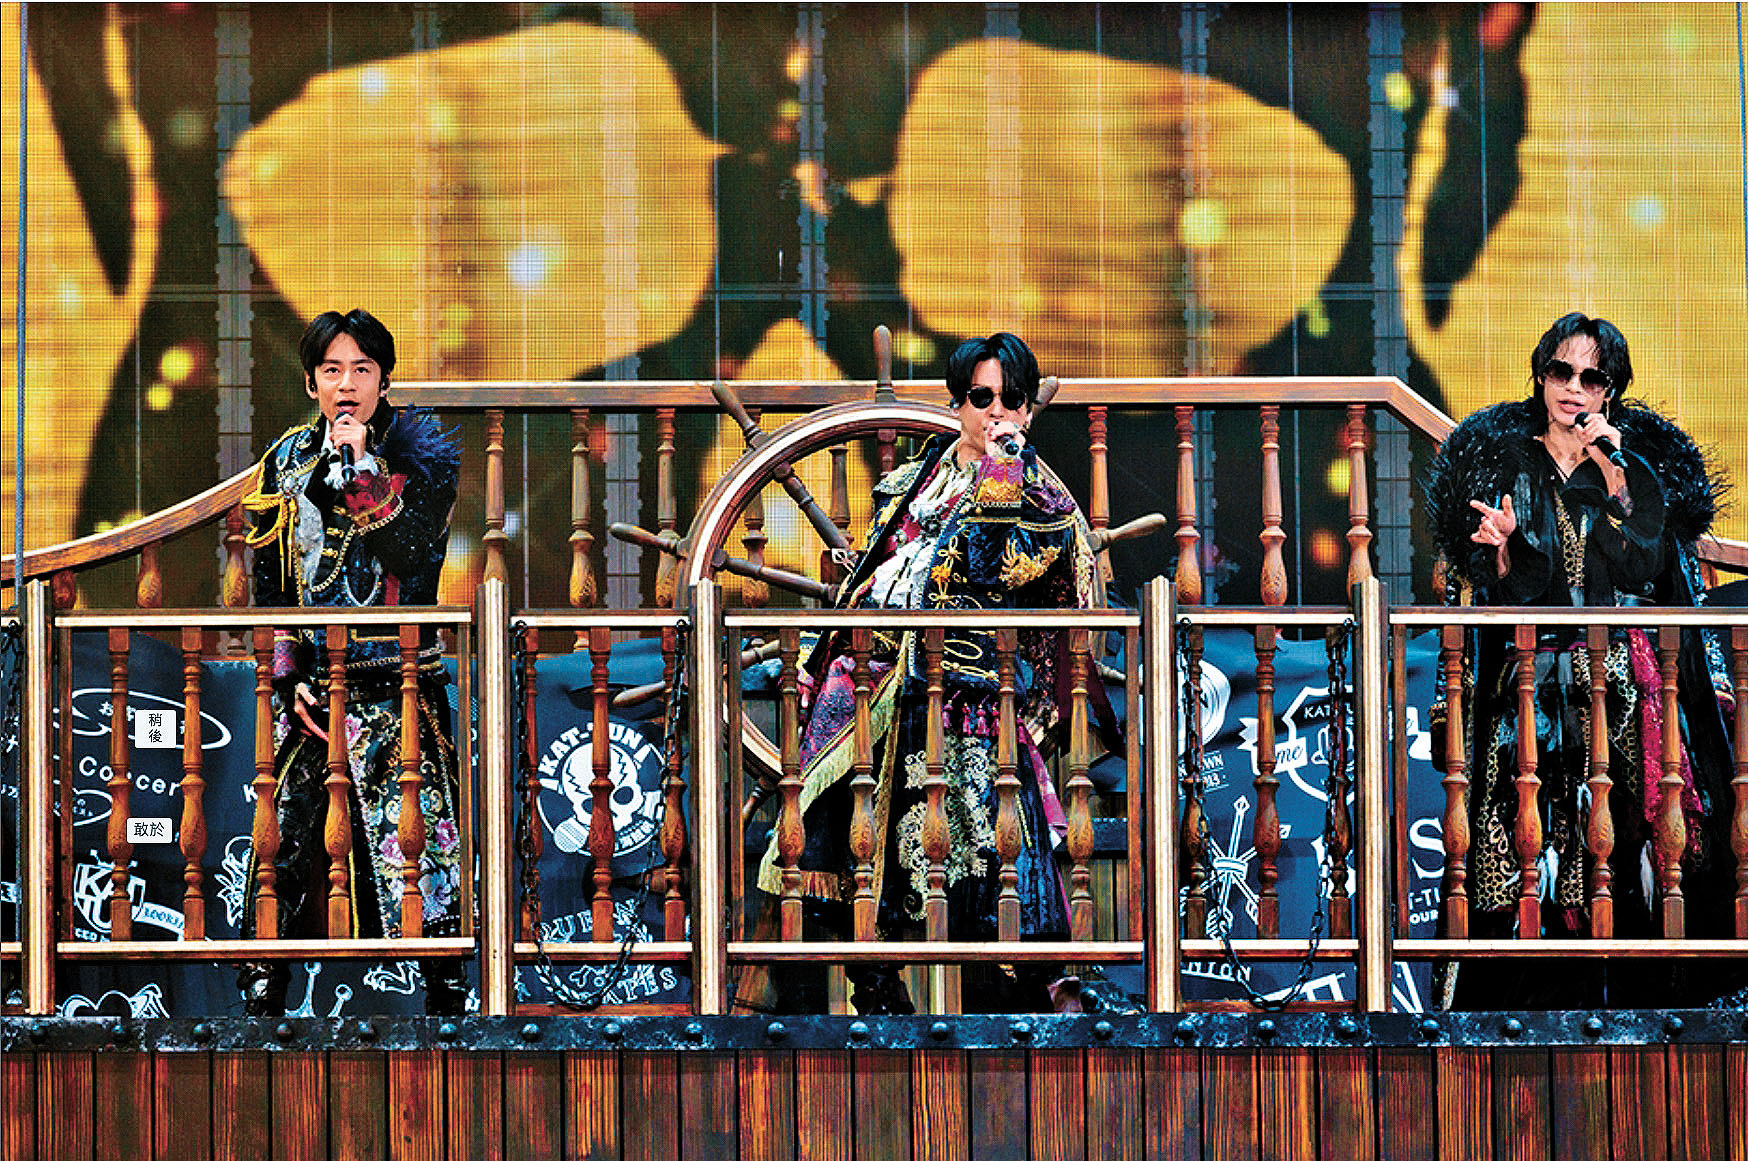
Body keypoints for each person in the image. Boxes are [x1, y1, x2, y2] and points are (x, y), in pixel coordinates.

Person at [757, 332, 1102, 1015]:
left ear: (1028, 410)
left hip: (973, 692)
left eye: (1012, 399)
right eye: (982, 397)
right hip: (882, 681)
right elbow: (877, 568)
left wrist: (1003, 471)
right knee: (837, 826)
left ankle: (1030, 995)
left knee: (991, 865)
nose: (996, 411)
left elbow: (991, 565)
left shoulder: (1042, 497)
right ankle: (874, 983)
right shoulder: (917, 482)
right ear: (958, 403)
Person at [1424, 311, 1736, 1008]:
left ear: (1609, 390)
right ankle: (1533, 992)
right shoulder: (1510, 463)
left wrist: (1616, 474)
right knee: (1528, 837)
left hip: (1622, 677)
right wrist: (1504, 547)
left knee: (1631, 837)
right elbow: (1512, 594)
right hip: (1532, 682)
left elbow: (1649, 564)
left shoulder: (1631, 468)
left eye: (1591, 377)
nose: (1573, 388)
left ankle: (1640, 986)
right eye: (1561, 371)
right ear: (1541, 377)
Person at [236, 309, 466, 1016]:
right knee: (281, 844)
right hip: (314, 687)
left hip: (399, 683)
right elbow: (271, 582)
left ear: (384, 380)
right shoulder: (285, 460)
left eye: (361, 370)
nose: (346, 385)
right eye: (332, 370)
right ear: (312, 383)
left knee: (424, 851)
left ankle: (448, 996)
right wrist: (287, 673)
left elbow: (412, 557)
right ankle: (261, 995)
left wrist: (363, 469)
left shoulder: (423, 453)